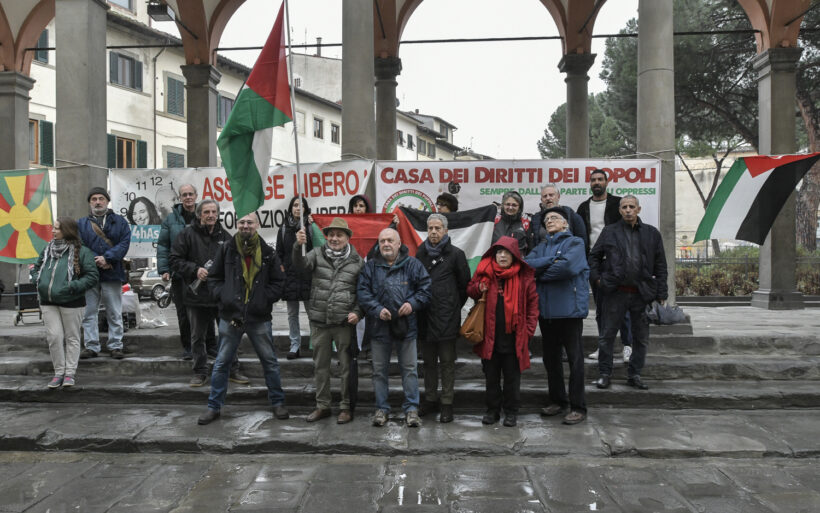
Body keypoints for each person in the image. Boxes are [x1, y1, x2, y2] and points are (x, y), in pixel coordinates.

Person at [197, 212, 289, 425]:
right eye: (242, 222)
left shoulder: (268, 253)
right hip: (232, 316)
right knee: (222, 363)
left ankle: (277, 402)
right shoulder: (226, 249)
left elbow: (278, 282)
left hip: (259, 317)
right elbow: (214, 278)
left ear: (257, 225)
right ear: (237, 224)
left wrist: (263, 299)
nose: (245, 225)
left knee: (270, 362)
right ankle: (214, 407)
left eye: (249, 222)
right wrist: (224, 296)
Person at [589, 195, 668, 391]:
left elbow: (661, 265)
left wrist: (662, 293)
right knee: (607, 335)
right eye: (624, 207)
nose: (628, 210)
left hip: (642, 294)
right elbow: (594, 257)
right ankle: (605, 374)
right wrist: (598, 279)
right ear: (620, 210)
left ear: (638, 209)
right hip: (615, 293)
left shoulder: (651, 233)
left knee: (640, 338)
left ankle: (635, 374)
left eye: (632, 207)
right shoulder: (610, 231)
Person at [357, 228, 431, 428]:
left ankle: (412, 409)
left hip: (407, 326)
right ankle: (382, 409)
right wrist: (377, 309)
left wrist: (412, 304)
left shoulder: (413, 264)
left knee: (410, 370)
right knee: (379, 371)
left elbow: (425, 289)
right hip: (379, 327)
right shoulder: (370, 267)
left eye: (390, 240)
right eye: (382, 241)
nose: (386, 244)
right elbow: (362, 292)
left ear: (399, 243)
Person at [292, 217, 364, 424]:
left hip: (344, 323)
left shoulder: (357, 261)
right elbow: (300, 266)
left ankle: (345, 407)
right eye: (331, 234)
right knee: (320, 367)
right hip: (320, 321)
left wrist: (358, 312)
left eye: (339, 235)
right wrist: (297, 246)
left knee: (346, 368)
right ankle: (322, 406)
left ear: (347, 238)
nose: (334, 238)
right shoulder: (316, 253)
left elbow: (363, 292)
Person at [169, 199, 246, 387]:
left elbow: (236, 265)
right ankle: (200, 372)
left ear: (217, 214)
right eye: (206, 212)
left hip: (220, 297)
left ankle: (233, 369)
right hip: (196, 297)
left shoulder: (226, 237)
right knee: (197, 338)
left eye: (213, 212)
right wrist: (195, 270)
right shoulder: (186, 235)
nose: (211, 215)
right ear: (199, 215)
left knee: (229, 334)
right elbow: (174, 260)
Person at [525, 208, 589, 425]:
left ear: (565, 224)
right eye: (546, 219)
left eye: (554, 218)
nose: (549, 221)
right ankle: (558, 400)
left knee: (575, 360)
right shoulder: (541, 247)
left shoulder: (576, 243)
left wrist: (542, 274)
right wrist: (553, 260)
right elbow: (527, 266)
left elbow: (567, 268)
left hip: (570, 312)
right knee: (551, 360)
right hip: (547, 312)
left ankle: (578, 406)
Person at [467, 236, 538, 427]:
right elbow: (471, 290)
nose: (503, 256)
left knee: (512, 379)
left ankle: (511, 412)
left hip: (514, 339)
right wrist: (478, 287)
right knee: (491, 378)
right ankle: (492, 411)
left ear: (514, 255)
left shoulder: (524, 277)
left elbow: (533, 306)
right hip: (489, 338)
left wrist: (528, 331)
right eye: (499, 252)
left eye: (507, 252)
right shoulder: (485, 271)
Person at [31, 217, 99, 388]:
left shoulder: (83, 252)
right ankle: (58, 373)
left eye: (57, 228)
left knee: (72, 338)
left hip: (72, 301)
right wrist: (38, 280)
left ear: (67, 231)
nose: (53, 231)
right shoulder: (47, 249)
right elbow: (36, 267)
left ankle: (69, 373)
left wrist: (72, 286)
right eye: (53, 228)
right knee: (54, 337)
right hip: (47, 301)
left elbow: (92, 276)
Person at [416, 213, 470, 423]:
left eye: (438, 228)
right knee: (428, 362)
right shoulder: (420, 253)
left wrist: (452, 306)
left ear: (445, 231)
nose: (433, 232)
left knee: (447, 362)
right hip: (424, 317)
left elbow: (464, 287)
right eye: (430, 228)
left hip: (447, 318)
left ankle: (447, 402)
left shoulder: (456, 254)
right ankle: (430, 399)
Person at [577, 169, 632, 363]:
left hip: (617, 262)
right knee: (601, 309)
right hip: (595, 263)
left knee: (622, 306)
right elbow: (580, 235)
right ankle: (604, 346)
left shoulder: (618, 204)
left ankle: (628, 346)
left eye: (600, 179)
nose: (597, 182)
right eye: (593, 180)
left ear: (607, 182)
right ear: (590, 183)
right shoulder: (583, 207)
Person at [157, 183, 216, 360]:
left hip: (203, 273)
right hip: (180, 273)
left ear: (196, 195)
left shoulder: (204, 214)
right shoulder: (170, 219)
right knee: (183, 313)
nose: (188, 197)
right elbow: (163, 245)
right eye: (184, 195)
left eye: (191, 194)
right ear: (179, 198)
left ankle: (211, 346)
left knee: (207, 310)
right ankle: (189, 347)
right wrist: (164, 269)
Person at [78, 187, 131, 360]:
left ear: (107, 201)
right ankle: (91, 346)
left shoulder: (120, 222)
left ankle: (116, 345)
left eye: (101, 198)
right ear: (89, 203)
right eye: (94, 199)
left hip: (112, 271)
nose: (98, 202)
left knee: (114, 311)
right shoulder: (81, 224)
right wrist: (97, 260)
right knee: (89, 312)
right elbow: (80, 245)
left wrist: (108, 258)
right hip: (90, 274)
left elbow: (124, 243)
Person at [276, 196, 312, 360]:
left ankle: (316, 344)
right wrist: (282, 269)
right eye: (295, 205)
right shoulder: (284, 228)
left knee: (312, 313)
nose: (298, 208)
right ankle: (294, 345)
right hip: (290, 276)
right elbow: (279, 252)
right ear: (291, 208)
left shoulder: (311, 226)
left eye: (301, 205)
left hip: (308, 275)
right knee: (292, 314)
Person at [529, 184, 588, 251]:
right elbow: (532, 244)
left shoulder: (571, 215)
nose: (548, 198)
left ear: (558, 196)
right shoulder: (535, 219)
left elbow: (582, 241)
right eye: (545, 196)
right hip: (542, 255)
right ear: (541, 200)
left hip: (567, 255)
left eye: (551, 195)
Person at [492, 191, 530, 256]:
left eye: (514, 205)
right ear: (503, 205)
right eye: (507, 204)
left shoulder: (526, 223)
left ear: (519, 207)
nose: (510, 207)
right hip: (496, 260)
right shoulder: (494, 221)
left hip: (518, 261)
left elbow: (530, 247)